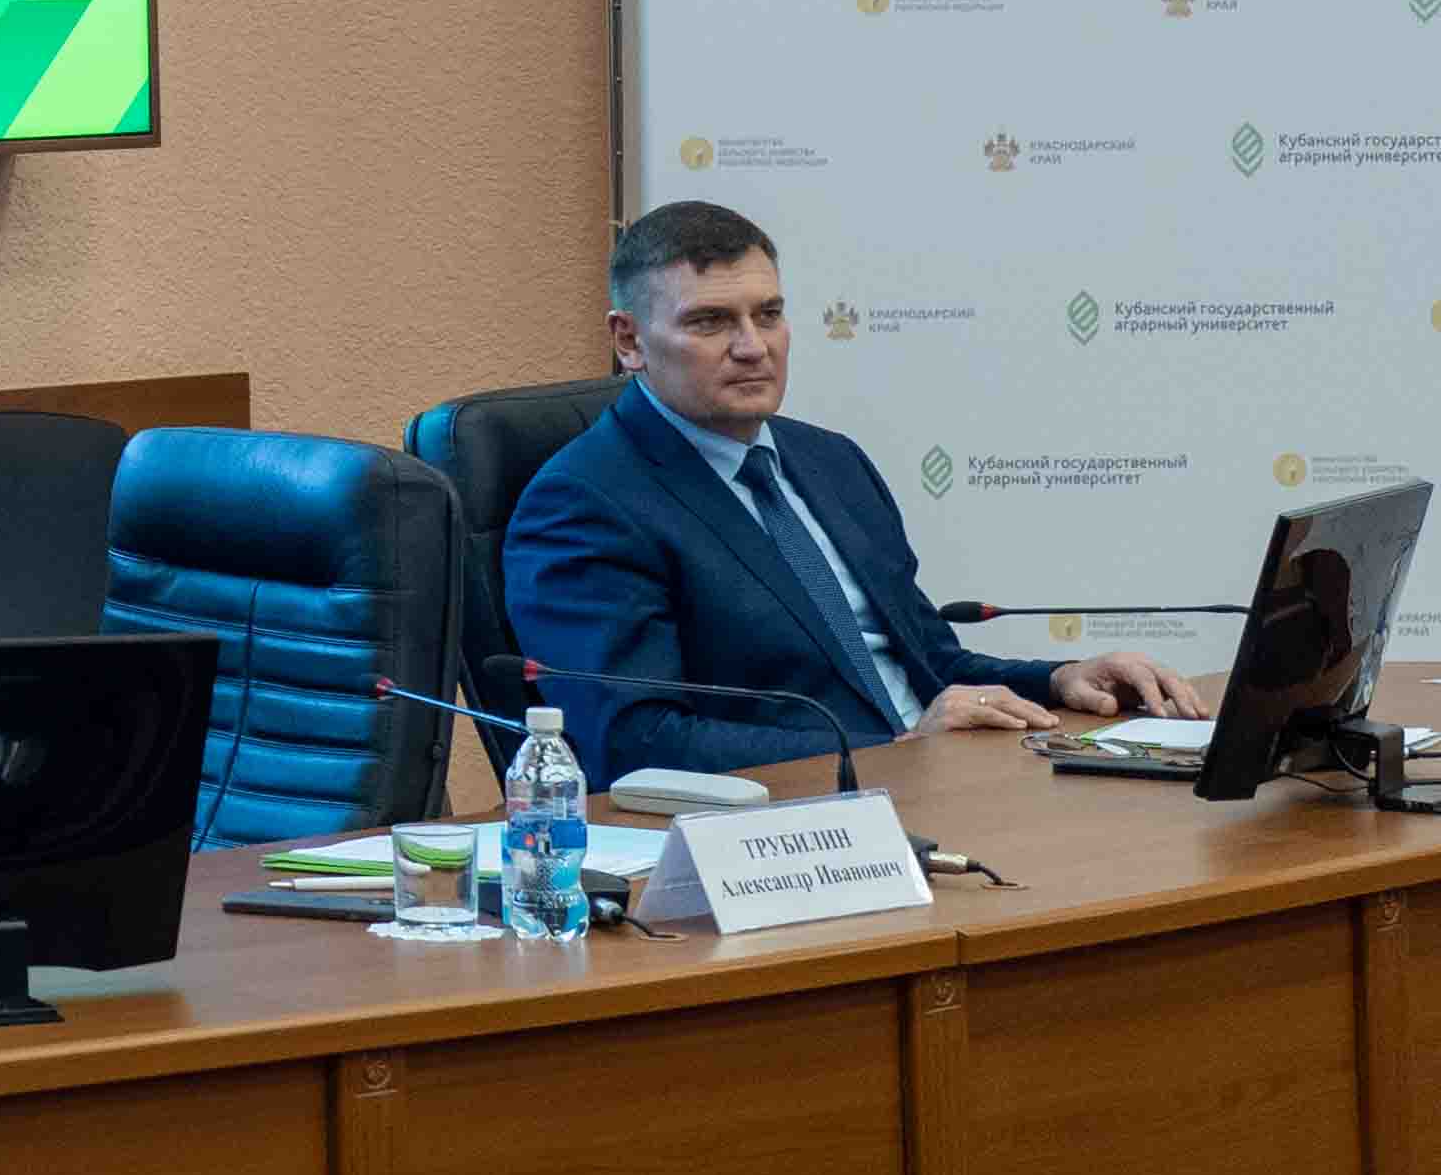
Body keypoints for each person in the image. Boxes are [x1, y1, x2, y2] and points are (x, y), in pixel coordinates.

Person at [505, 199, 1194, 783]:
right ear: (628, 340)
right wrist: (896, 749)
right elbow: (634, 742)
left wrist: (1060, 678)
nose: (753, 346)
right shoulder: (584, 504)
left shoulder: (829, 460)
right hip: (791, 831)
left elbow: (927, 660)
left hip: (943, 783)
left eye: (768, 314)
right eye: (710, 322)